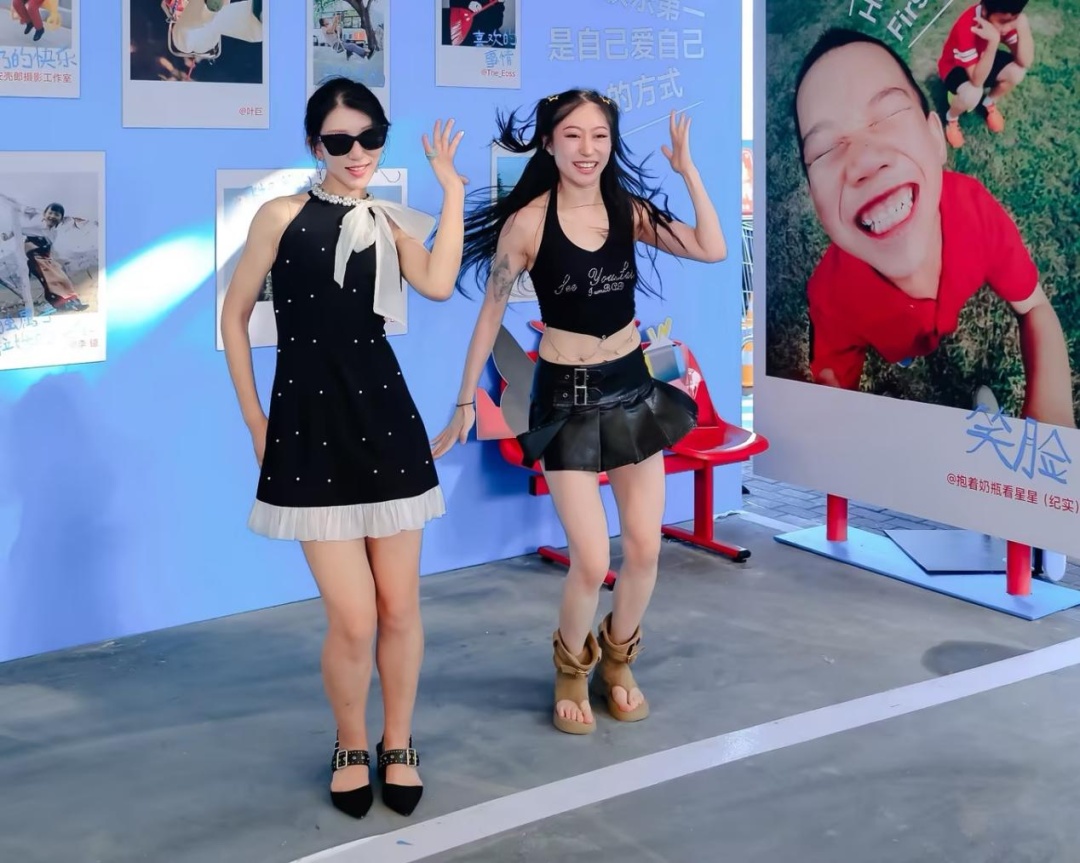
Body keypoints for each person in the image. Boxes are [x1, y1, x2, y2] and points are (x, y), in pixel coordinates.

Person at [430, 89, 727, 735]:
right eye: (573, 135)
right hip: (564, 399)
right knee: (592, 561)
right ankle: (571, 667)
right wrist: (463, 401)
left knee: (644, 548)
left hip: (631, 390)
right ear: (549, 143)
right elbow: (490, 315)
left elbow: (712, 248)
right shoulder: (528, 223)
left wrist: (688, 171)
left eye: (599, 136)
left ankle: (617, 660)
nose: (587, 149)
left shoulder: (627, 210)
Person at [220, 77, 466, 819]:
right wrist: (256, 420)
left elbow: (439, 283)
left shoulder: (388, 219)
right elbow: (235, 316)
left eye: (370, 138)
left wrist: (453, 190)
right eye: (340, 140)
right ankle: (351, 740)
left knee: (399, 608)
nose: (358, 153)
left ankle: (399, 740)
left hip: (388, 426)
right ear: (314, 144)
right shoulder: (279, 216)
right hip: (307, 431)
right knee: (354, 618)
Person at [792, 28, 1073, 428]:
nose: (864, 160)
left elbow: (1034, 307)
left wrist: (1053, 412)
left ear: (936, 139)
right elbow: (832, 386)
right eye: (824, 149)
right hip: (890, 340)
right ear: (815, 201)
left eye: (888, 116)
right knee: (902, 346)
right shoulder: (830, 296)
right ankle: (904, 348)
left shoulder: (975, 211)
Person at [938, 0, 1033, 148]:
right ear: (983, 11)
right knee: (973, 92)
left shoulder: (1006, 17)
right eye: (1002, 22)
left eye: (1013, 20)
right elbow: (977, 80)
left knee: (1018, 70)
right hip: (955, 67)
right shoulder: (967, 26)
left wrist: (1023, 28)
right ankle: (951, 118)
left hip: (983, 61)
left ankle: (989, 102)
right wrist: (993, 42)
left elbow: (1025, 61)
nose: (1006, 28)